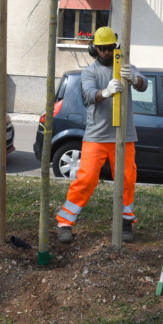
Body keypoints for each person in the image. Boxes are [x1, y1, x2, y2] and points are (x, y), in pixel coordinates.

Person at [56, 26, 148, 244]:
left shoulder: (127, 67)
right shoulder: (89, 72)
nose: (106, 53)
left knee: (126, 180)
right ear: (93, 49)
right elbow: (89, 95)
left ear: (115, 46)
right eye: (102, 49)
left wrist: (135, 79)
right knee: (86, 179)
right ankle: (65, 222)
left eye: (109, 48)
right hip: (96, 136)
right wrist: (105, 92)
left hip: (124, 136)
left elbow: (144, 85)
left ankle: (126, 222)